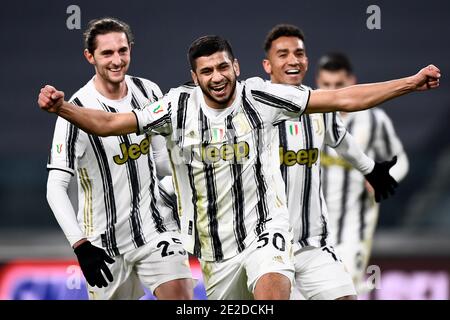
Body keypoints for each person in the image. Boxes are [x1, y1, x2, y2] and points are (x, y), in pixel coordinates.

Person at [38, 35, 440, 299]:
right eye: (207, 71)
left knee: (271, 287)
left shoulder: (261, 97)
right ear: (193, 78)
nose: (217, 78)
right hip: (216, 251)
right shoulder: (176, 107)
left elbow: (343, 100)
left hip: (267, 232)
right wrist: (63, 108)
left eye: (223, 67)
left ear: (237, 66)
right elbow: (109, 124)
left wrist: (410, 82)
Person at [45, 17, 193, 300]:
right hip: (103, 245)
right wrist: (80, 245)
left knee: (182, 299)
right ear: (90, 56)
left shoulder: (148, 91)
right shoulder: (74, 112)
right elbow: (55, 187)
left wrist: (191, 169)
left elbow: (162, 161)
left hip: (155, 230)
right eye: (107, 53)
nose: (117, 60)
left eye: (122, 51)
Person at [262, 24, 398, 300]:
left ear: (306, 61)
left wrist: (369, 169)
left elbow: (340, 137)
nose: (292, 60)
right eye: (283, 54)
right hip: (266, 245)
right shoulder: (254, 102)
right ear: (267, 65)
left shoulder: (319, 105)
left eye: (299, 53)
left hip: (312, 243)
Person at [317, 52, 409, 294]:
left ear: (352, 82)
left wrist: (382, 179)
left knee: (343, 290)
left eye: (339, 85)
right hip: (313, 228)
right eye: (326, 85)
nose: (333, 91)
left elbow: (401, 161)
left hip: (354, 227)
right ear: (318, 83)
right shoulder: (311, 116)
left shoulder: (374, 120)